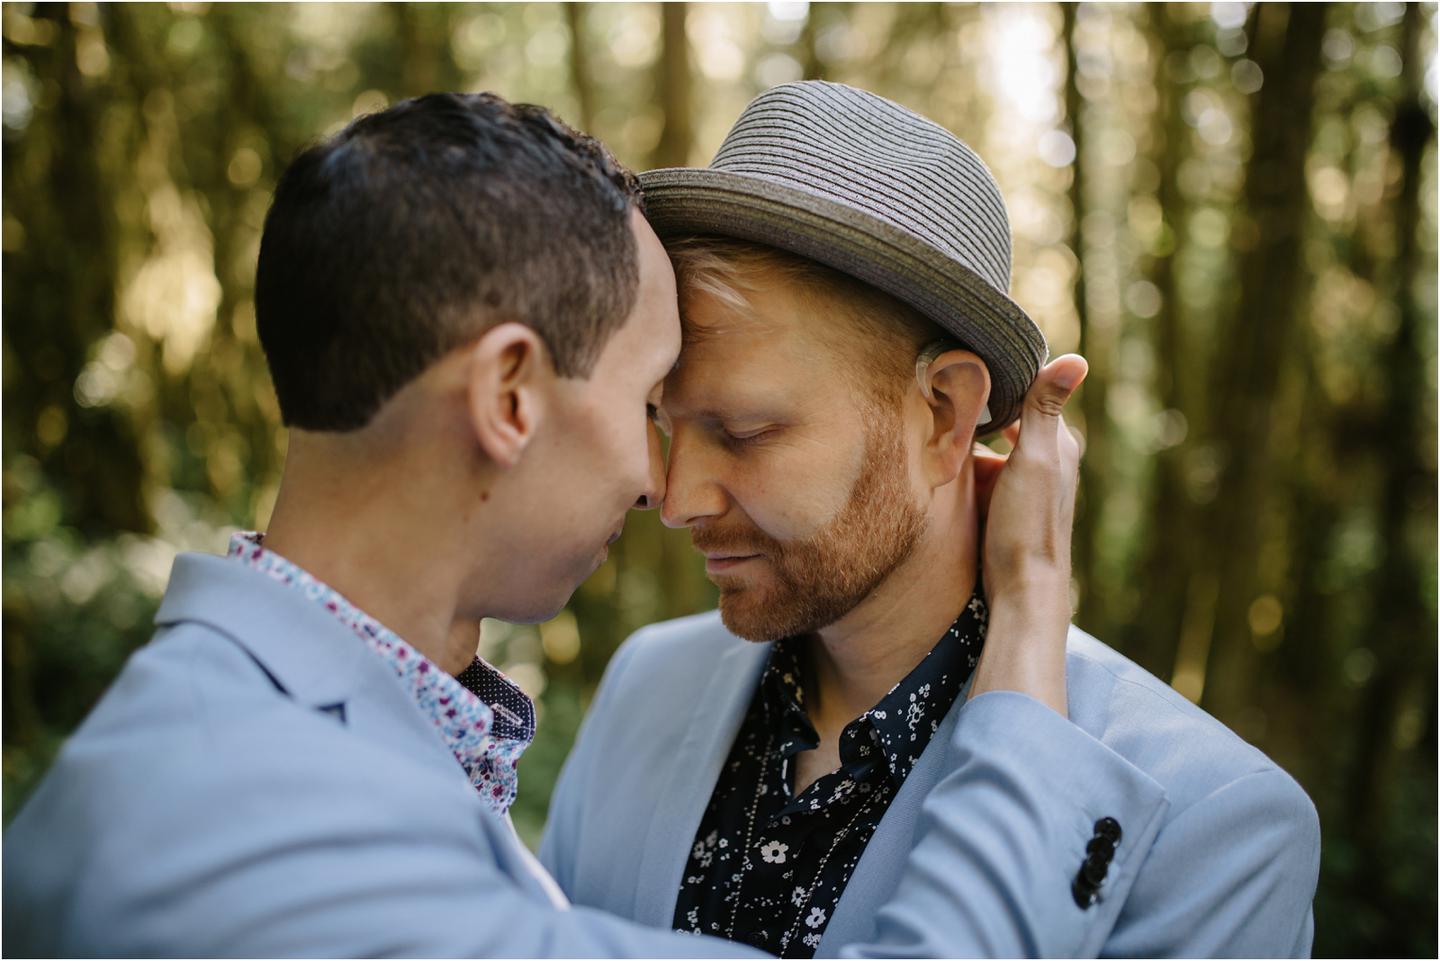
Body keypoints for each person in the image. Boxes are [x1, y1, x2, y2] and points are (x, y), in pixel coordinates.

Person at [4, 91, 1167, 958]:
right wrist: (1030, 612)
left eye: (741, 428)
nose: (665, 487)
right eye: (645, 398)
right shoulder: (256, 824)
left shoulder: (306, 736)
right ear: (509, 396)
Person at [540, 81, 1322, 958]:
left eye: (746, 430)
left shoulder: (1219, 828)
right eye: (663, 420)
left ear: (946, 413)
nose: (678, 500)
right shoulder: (646, 684)